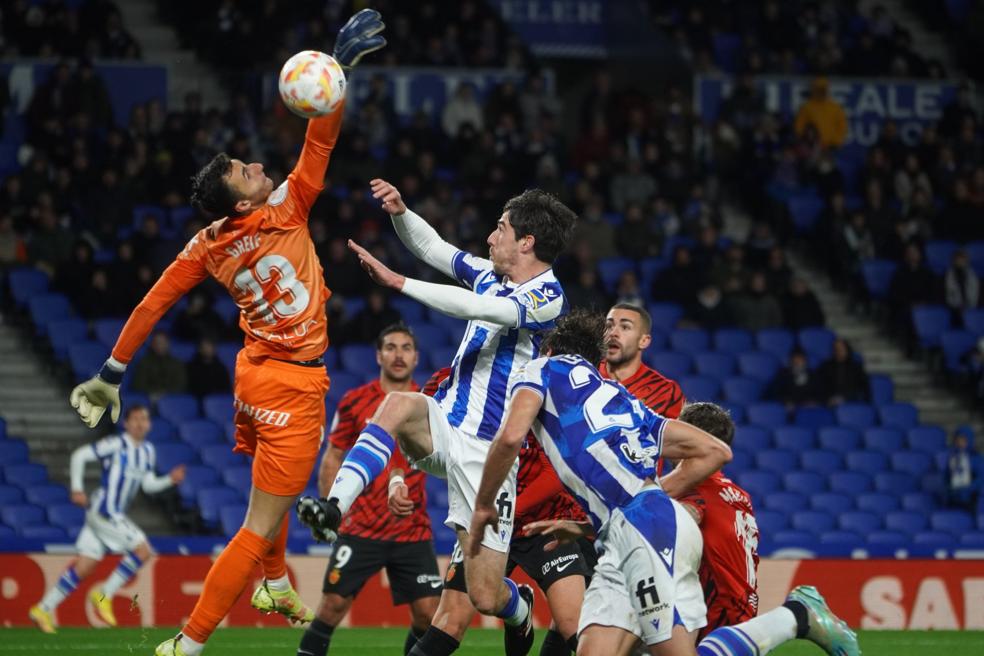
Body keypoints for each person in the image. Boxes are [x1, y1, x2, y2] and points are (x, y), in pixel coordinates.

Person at [65, 11, 387, 656]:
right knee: (259, 522)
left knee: (268, 491)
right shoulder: (288, 207)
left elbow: (152, 306)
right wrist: (339, 75)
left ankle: (274, 582)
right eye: (246, 170)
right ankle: (187, 643)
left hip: (252, 377)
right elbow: (320, 141)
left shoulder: (205, 245)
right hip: (294, 387)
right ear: (244, 203)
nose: (257, 164)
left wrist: (111, 372)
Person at [469, 310, 859, 656]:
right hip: (631, 530)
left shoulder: (540, 368)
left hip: (647, 532)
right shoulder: (625, 402)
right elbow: (715, 451)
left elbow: (509, 437)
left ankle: (796, 616)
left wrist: (484, 504)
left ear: (551, 348)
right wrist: (615, 513)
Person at [297, 177, 577, 656]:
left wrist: (399, 282)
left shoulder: (546, 296)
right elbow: (434, 248)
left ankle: (519, 607)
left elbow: (479, 307)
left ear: (526, 242)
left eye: (501, 228)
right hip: (446, 423)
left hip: (489, 456)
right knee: (397, 404)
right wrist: (401, 212)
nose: (491, 237)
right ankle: (333, 509)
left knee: (485, 595)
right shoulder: (490, 272)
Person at [411, 367, 592, 656]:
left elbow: (556, 473)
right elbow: (424, 439)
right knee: (449, 622)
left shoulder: (538, 383)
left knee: (574, 626)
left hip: (544, 523)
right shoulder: (447, 380)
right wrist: (399, 477)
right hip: (486, 522)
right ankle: (519, 609)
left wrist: (500, 511)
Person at [297, 324, 441, 656]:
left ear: (416, 357)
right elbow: (333, 457)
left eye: (406, 348)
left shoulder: (429, 404)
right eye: (390, 347)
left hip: (412, 529)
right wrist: (331, 511)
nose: (398, 355)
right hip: (360, 528)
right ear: (378, 356)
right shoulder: (354, 401)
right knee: (332, 607)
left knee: (428, 615)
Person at [29, 406, 185, 633]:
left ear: (149, 424)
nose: (140, 423)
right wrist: (77, 488)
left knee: (84, 567)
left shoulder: (148, 451)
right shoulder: (115, 444)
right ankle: (104, 594)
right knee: (143, 550)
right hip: (105, 510)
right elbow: (80, 455)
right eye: (135, 419)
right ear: (126, 424)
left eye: (144, 419)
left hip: (108, 514)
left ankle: (42, 609)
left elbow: (147, 485)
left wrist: (169, 480)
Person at [675, 402, 759, 638]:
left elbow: (677, 519)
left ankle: (795, 615)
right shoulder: (740, 495)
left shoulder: (696, 491)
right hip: (742, 611)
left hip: (715, 616)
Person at [600, 303, 684, 419]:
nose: (613, 333)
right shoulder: (582, 374)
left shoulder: (666, 392)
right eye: (609, 326)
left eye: (625, 327)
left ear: (643, 341)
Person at [793, 77, 847, 149]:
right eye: (819, 89)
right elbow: (799, 127)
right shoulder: (807, 107)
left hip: (831, 147)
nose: (821, 92)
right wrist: (805, 142)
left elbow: (842, 127)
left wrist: (836, 142)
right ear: (814, 90)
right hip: (812, 148)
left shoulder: (835, 108)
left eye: (823, 90)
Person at [946, 426, 982, 512]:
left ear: (969, 440)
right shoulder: (952, 457)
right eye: (957, 440)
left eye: (963, 440)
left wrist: (968, 489)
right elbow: (946, 477)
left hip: (971, 500)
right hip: (953, 500)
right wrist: (950, 488)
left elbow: (981, 479)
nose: (960, 443)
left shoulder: (977, 458)